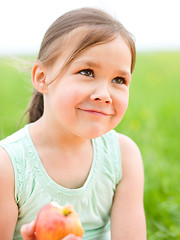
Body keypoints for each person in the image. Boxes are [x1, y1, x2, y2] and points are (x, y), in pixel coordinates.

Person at [0, 7, 146, 240]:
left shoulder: (123, 156)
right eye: (87, 72)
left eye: (119, 80)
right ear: (42, 78)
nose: (104, 94)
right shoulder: (8, 167)